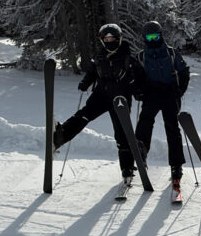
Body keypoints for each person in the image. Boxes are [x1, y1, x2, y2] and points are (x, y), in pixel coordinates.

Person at [53, 23, 145, 181]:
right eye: (106, 38)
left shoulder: (128, 58)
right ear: (102, 40)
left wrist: (138, 90)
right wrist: (85, 83)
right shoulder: (100, 56)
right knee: (83, 115)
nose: (109, 41)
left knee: (122, 134)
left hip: (120, 98)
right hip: (101, 95)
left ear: (119, 38)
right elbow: (92, 73)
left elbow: (140, 77)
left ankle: (127, 168)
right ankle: (60, 136)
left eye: (112, 38)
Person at [133, 21, 190, 193]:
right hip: (152, 92)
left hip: (169, 92)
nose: (152, 40)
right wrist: (139, 91)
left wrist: (179, 90)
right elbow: (137, 76)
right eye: (149, 37)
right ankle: (141, 149)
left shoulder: (171, 53)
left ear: (161, 36)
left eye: (155, 36)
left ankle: (176, 165)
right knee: (145, 119)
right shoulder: (142, 56)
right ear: (144, 38)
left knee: (172, 127)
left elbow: (184, 71)